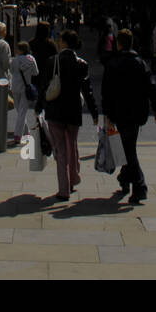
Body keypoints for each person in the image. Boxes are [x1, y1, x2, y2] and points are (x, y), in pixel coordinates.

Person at [102, 27, 156, 204]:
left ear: (119, 44)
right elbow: (152, 87)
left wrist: (106, 113)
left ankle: (139, 187)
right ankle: (125, 179)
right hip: (137, 112)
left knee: (128, 150)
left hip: (119, 112)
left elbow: (106, 91)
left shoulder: (112, 64)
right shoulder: (140, 63)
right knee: (128, 147)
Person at [37, 29, 98, 200]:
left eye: (60, 40)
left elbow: (43, 87)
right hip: (73, 111)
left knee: (61, 150)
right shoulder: (81, 64)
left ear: (64, 42)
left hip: (55, 110)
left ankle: (63, 189)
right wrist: (94, 112)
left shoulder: (52, 62)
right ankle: (73, 179)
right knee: (72, 145)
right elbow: (88, 90)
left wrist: (38, 106)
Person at [10, 40, 39, 144]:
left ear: (20, 50)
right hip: (26, 88)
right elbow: (36, 72)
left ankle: (18, 134)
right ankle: (24, 132)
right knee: (22, 112)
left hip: (15, 87)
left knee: (19, 111)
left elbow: (11, 71)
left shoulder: (15, 60)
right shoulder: (31, 59)